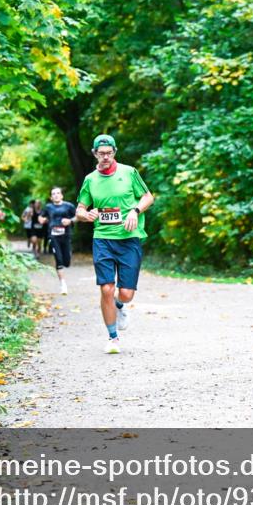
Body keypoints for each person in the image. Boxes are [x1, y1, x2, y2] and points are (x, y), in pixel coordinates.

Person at [75, 134, 155, 354]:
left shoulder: (129, 173)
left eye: (109, 153)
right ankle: (112, 337)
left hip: (129, 238)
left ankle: (121, 307)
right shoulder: (90, 179)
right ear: (95, 154)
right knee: (106, 288)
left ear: (115, 152)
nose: (106, 157)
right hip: (103, 239)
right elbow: (80, 209)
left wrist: (135, 211)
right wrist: (86, 214)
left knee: (126, 293)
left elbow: (148, 197)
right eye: (101, 154)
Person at [38, 186, 77, 295]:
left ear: (61, 195)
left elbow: (78, 217)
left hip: (66, 235)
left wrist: (70, 221)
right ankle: (63, 285)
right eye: (53, 194)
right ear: (51, 197)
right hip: (53, 236)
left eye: (58, 193)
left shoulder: (69, 206)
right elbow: (41, 217)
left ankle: (68, 255)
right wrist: (42, 220)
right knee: (59, 260)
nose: (56, 195)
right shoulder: (48, 207)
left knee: (67, 262)